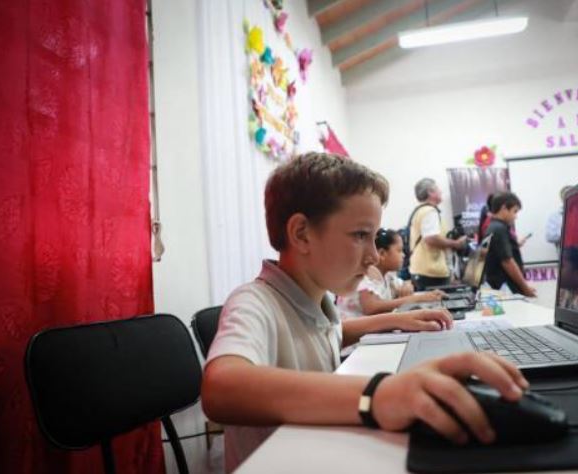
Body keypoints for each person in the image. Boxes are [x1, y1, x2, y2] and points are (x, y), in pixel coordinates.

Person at [202, 153, 529, 471]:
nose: (373, 256)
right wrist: (377, 395)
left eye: (374, 239)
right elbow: (221, 389)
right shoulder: (254, 302)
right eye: (361, 236)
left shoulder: (313, 301)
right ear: (301, 233)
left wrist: (396, 319)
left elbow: (330, 333)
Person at [337, 228, 444, 317]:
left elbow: (405, 284)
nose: (403, 255)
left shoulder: (388, 276)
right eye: (399, 250)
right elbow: (371, 308)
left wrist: (408, 286)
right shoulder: (365, 276)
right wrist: (415, 299)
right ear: (382, 254)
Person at [408, 178, 467, 290]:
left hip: (423, 270)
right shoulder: (430, 211)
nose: (441, 192)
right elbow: (431, 239)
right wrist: (456, 244)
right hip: (430, 272)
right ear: (430, 192)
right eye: (438, 189)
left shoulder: (421, 211)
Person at [482, 192, 537, 297]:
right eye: (514, 211)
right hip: (505, 288)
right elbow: (507, 261)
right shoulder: (499, 229)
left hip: (499, 286)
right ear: (503, 208)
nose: (515, 216)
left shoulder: (492, 227)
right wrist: (525, 288)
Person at [545, 185, 572, 254]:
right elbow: (549, 237)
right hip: (565, 255)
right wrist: (569, 233)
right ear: (562, 198)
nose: (570, 197)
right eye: (567, 195)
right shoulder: (554, 217)